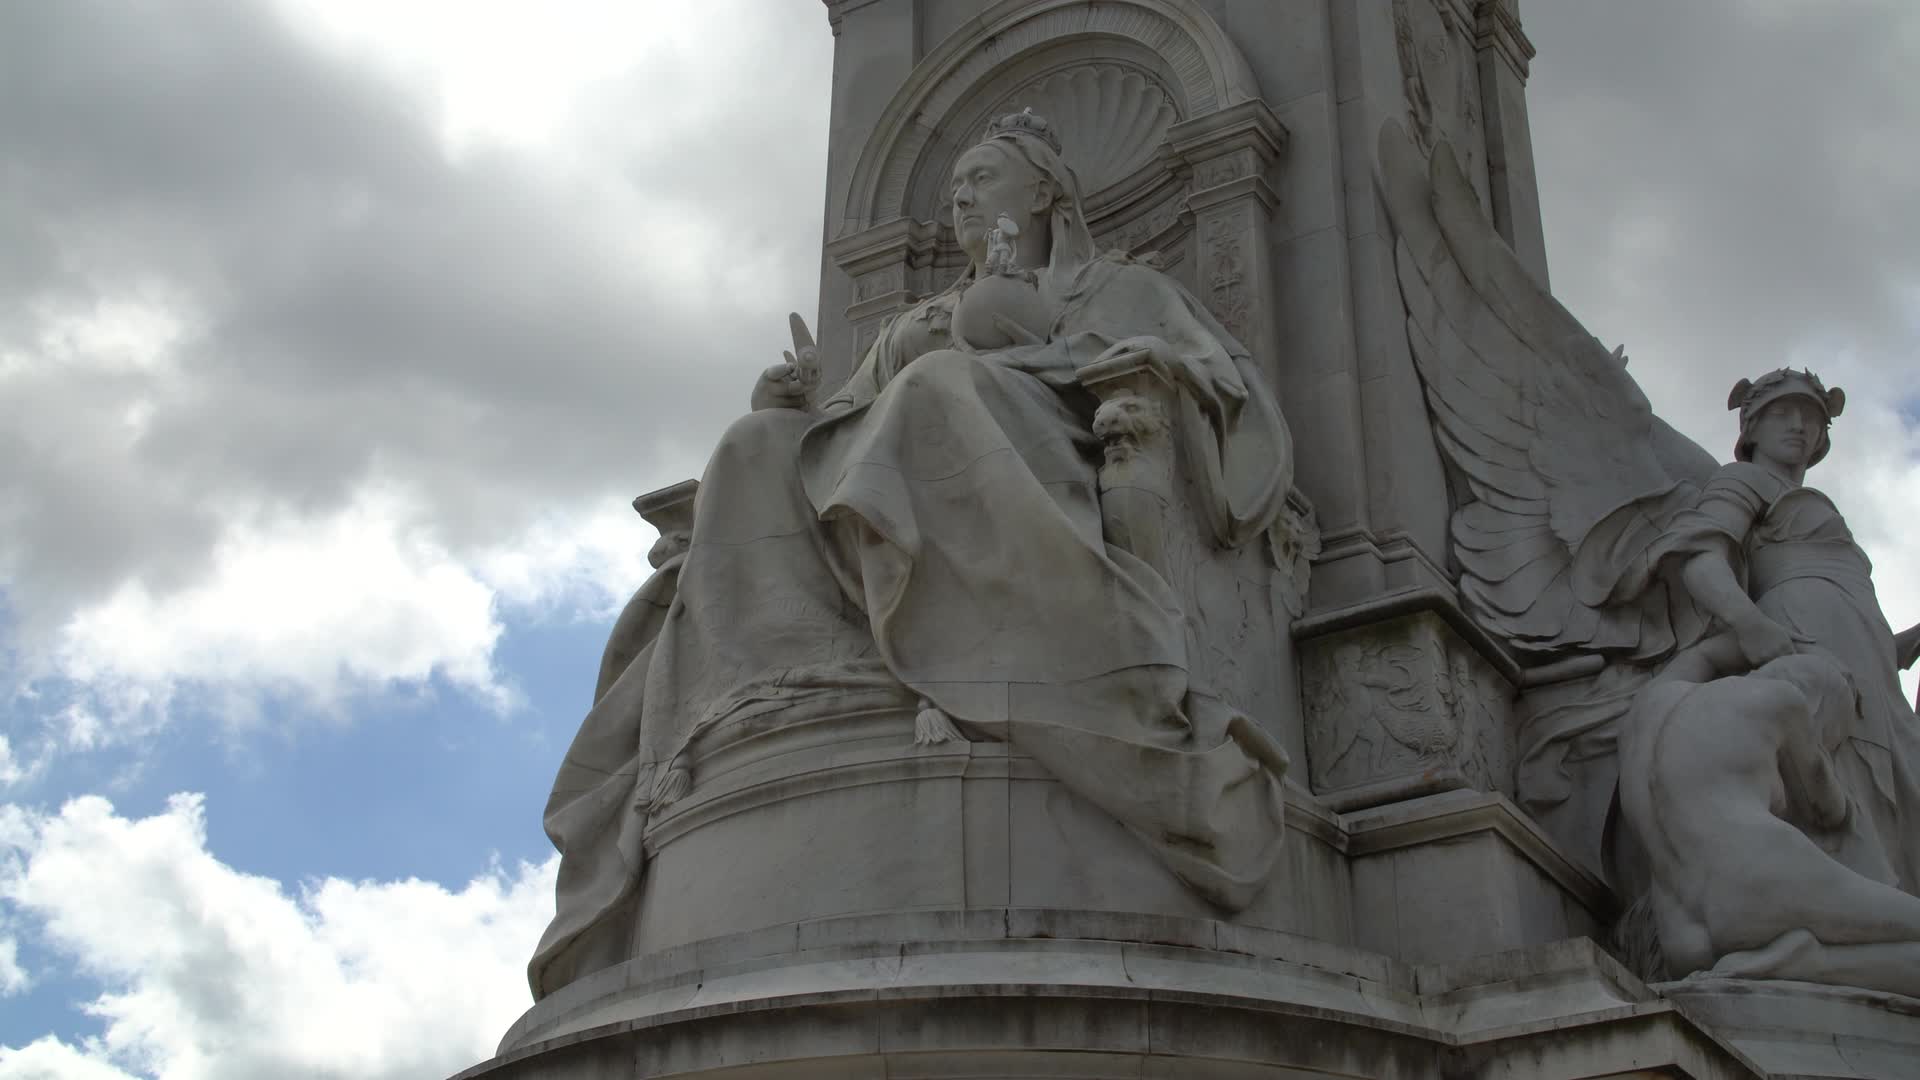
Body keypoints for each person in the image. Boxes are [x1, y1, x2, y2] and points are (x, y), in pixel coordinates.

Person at [527, 110, 1295, 999]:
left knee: (936, 389)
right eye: (956, 183)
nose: (962, 194)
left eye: (984, 176)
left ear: (1045, 190)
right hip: (905, 468)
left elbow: (1219, 385)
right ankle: (784, 678)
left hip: (1041, 452)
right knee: (751, 445)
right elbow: (836, 427)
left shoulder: (1115, 286)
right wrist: (781, 402)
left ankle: (950, 648)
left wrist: (1040, 344)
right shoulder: (921, 316)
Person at [1651, 368, 1920, 891]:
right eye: (1783, 413)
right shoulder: (1741, 479)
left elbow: (1854, 616)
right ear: (1751, 427)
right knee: (1843, 765)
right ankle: (1855, 909)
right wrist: (1749, 624)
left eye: (1813, 418)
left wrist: (1905, 642)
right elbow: (1700, 562)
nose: (1799, 426)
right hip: (1801, 627)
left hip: (1868, 657)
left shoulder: (1806, 500)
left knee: (1889, 774)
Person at [1618, 637, 1920, 995]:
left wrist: (1770, 639)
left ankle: (1801, 958)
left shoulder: (1649, 704)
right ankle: (1807, 963)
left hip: (1680, 936)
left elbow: (1706, 651)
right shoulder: (1784, 702)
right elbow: (1828, 809)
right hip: (1758, 883)